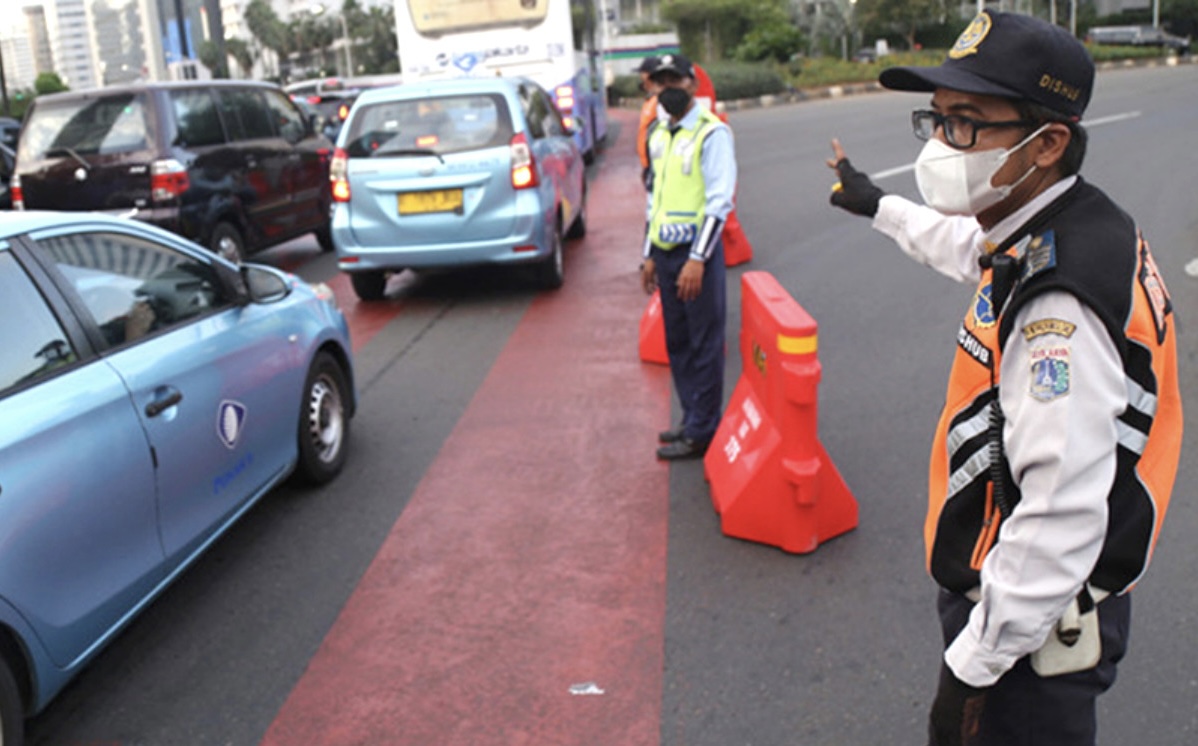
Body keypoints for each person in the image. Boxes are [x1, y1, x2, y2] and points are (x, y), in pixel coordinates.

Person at [825, 12, 1182, 746]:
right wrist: (878, 205)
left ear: (1046, 143)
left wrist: (972, 668)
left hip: (1032, 624)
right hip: (1033, 603)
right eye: (936, 119)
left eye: (966, 124)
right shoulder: (1059, 225)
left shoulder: (1059, 300)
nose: (939, 144)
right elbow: (972, 251)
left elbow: (1057, 516)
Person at [640, 54, 737, 460]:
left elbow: (719, 203)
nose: (668, 90)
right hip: (664, 253)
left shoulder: (711, 133)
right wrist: (648, 253)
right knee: (676, 342)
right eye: (660, 83)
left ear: (692, 84)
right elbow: (654, 199)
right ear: (652, 88)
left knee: (703, 344)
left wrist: (698, 259)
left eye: (675, 81)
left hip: (696, 256)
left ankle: (702, 430)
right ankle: (690, 418)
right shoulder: (658, 134)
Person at [636, 55, 662, 190]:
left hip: (656, 164)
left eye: (643, 73)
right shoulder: (650, 101)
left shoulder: (660, 102)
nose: (640, 77)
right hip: (648, 164)